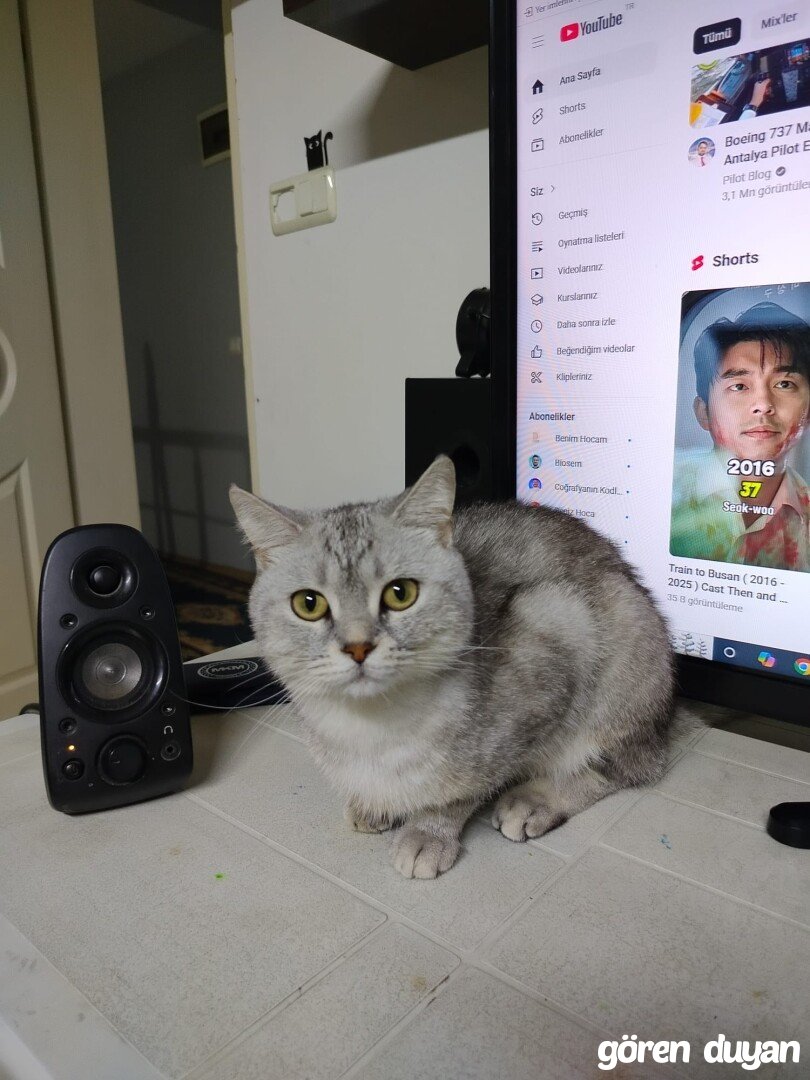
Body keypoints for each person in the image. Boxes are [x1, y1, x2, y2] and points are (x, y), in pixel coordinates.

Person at [670, 302, 810, 570]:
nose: (763, 404)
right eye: (739, 386)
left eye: (784, 384)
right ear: (704, 412)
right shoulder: (668, 487)